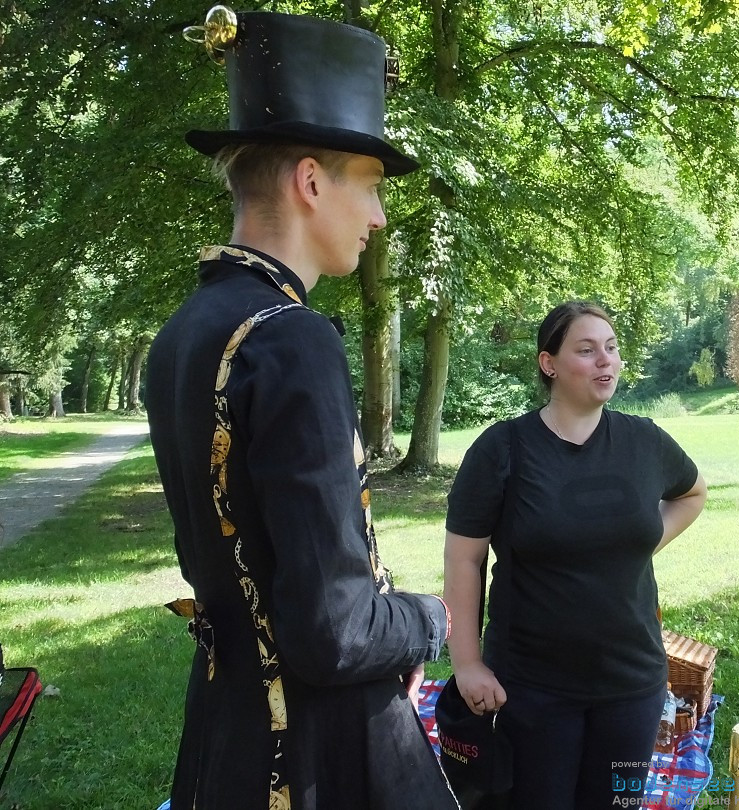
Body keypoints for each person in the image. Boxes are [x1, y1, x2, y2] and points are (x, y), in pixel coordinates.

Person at [145, 10, 458, 810]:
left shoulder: (182, 334)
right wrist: (431, 618)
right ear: (312, 181)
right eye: (373, 186)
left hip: (222, 734)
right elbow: (337, 632)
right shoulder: (292, 340)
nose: (380, 216)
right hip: (314, 758)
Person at [442, 301, 707, 809]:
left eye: (611, 349)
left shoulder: (644, 440)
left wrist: (638, 543)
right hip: (531, 686)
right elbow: (463, 562)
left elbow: (693, 494)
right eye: (586, 350)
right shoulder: (503, 449)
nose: (605, 361)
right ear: (550, 364)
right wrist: (468, 662)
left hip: (632, 683)